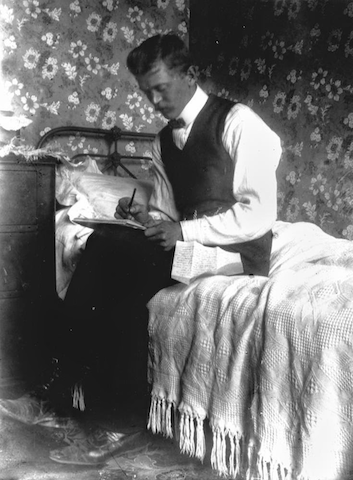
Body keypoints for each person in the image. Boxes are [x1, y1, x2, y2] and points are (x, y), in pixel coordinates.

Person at [0, 33, 282, 444]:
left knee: (111, 259)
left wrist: (182, 230)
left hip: (235, 255)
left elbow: (257, 214)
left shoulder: (238, 123)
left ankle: (71, 390)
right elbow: (169, 214)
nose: (154, 102)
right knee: (110, 257)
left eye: (160, 89)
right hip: (189, 250)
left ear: (190, 75)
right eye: (146, 93)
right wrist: (145, 216)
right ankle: (108, 409)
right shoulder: (162, 142)